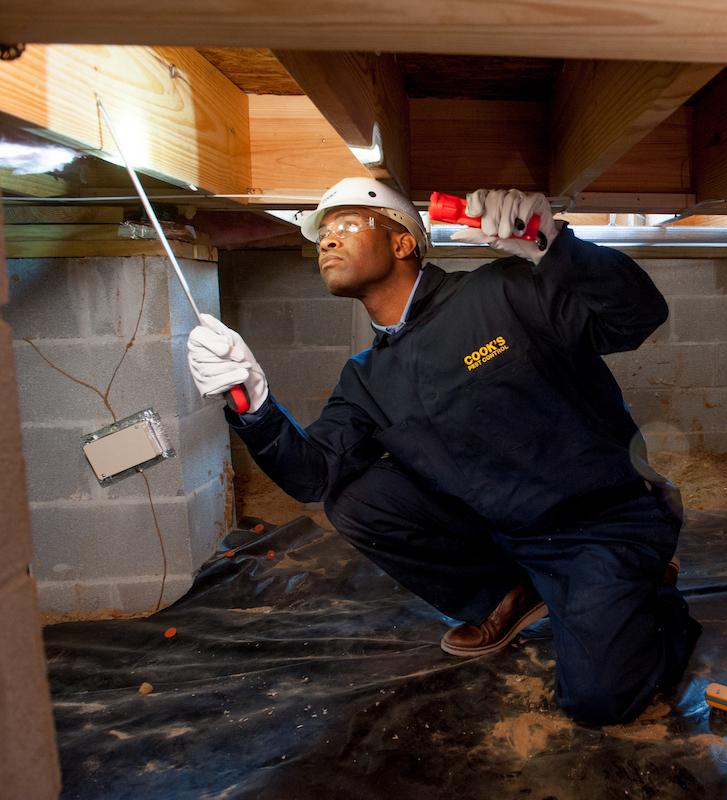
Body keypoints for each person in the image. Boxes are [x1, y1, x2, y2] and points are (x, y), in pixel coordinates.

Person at [187, 178, 700, 726]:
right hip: (507, 534)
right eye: (322, 235)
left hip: (602, 525)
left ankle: (650, 599)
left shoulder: (501, 292)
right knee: (355, 497)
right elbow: (313, 476)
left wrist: (555, 248)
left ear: (403, 243)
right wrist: (253, 405)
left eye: (346, 226)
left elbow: (636, 316)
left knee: (599, 703)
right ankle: (507, 593)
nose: (327, 242)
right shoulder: (367, 377)